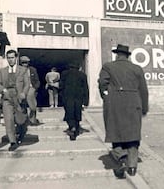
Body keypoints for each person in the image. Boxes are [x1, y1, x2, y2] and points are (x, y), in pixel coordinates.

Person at [98, 44, 149, 178]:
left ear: (117, 54)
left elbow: (102, 83)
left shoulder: (108, 66)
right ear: (127, 56)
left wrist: (106, 96)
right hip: (133, 102)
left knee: (116, 133)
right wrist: (144, 107)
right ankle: (132, 166)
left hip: (115, 103)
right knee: (133, 135)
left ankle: (121, 157)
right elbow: (143, 89)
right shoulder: (137, 68)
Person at [0, 49, 30, 151]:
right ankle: (12, 141)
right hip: (7, 98)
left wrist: (24, 93)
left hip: (19, 97)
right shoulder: (2, 71)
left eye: (12, 57)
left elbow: (27, 84)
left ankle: (21, 133)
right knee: (8, 119)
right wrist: (3, 90)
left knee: (20, 120)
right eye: (9, 58)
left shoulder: (23, 70)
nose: (10, 60)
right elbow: (0, 84)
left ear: (16, 58)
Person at [59, 63, 89, 141]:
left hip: (68, 97)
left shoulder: (64, 74)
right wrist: (86, 101)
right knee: (77, 112)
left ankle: (72, 127)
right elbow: (85, 88)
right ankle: (76, 127)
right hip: (78, 97)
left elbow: (61, 86)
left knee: (69, 112)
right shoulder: (82, 75)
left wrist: (61, 97)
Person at [19, 56, 41, 125]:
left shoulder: (32, 70)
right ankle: (24, 120)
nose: (24, 64)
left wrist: (35, 87)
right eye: (23, 63)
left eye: (26, 63)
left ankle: (32, 120)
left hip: (31, 88)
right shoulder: (18, 70)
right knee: (23, 105)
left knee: (32, 105)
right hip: (22, 89)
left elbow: (37, 80)